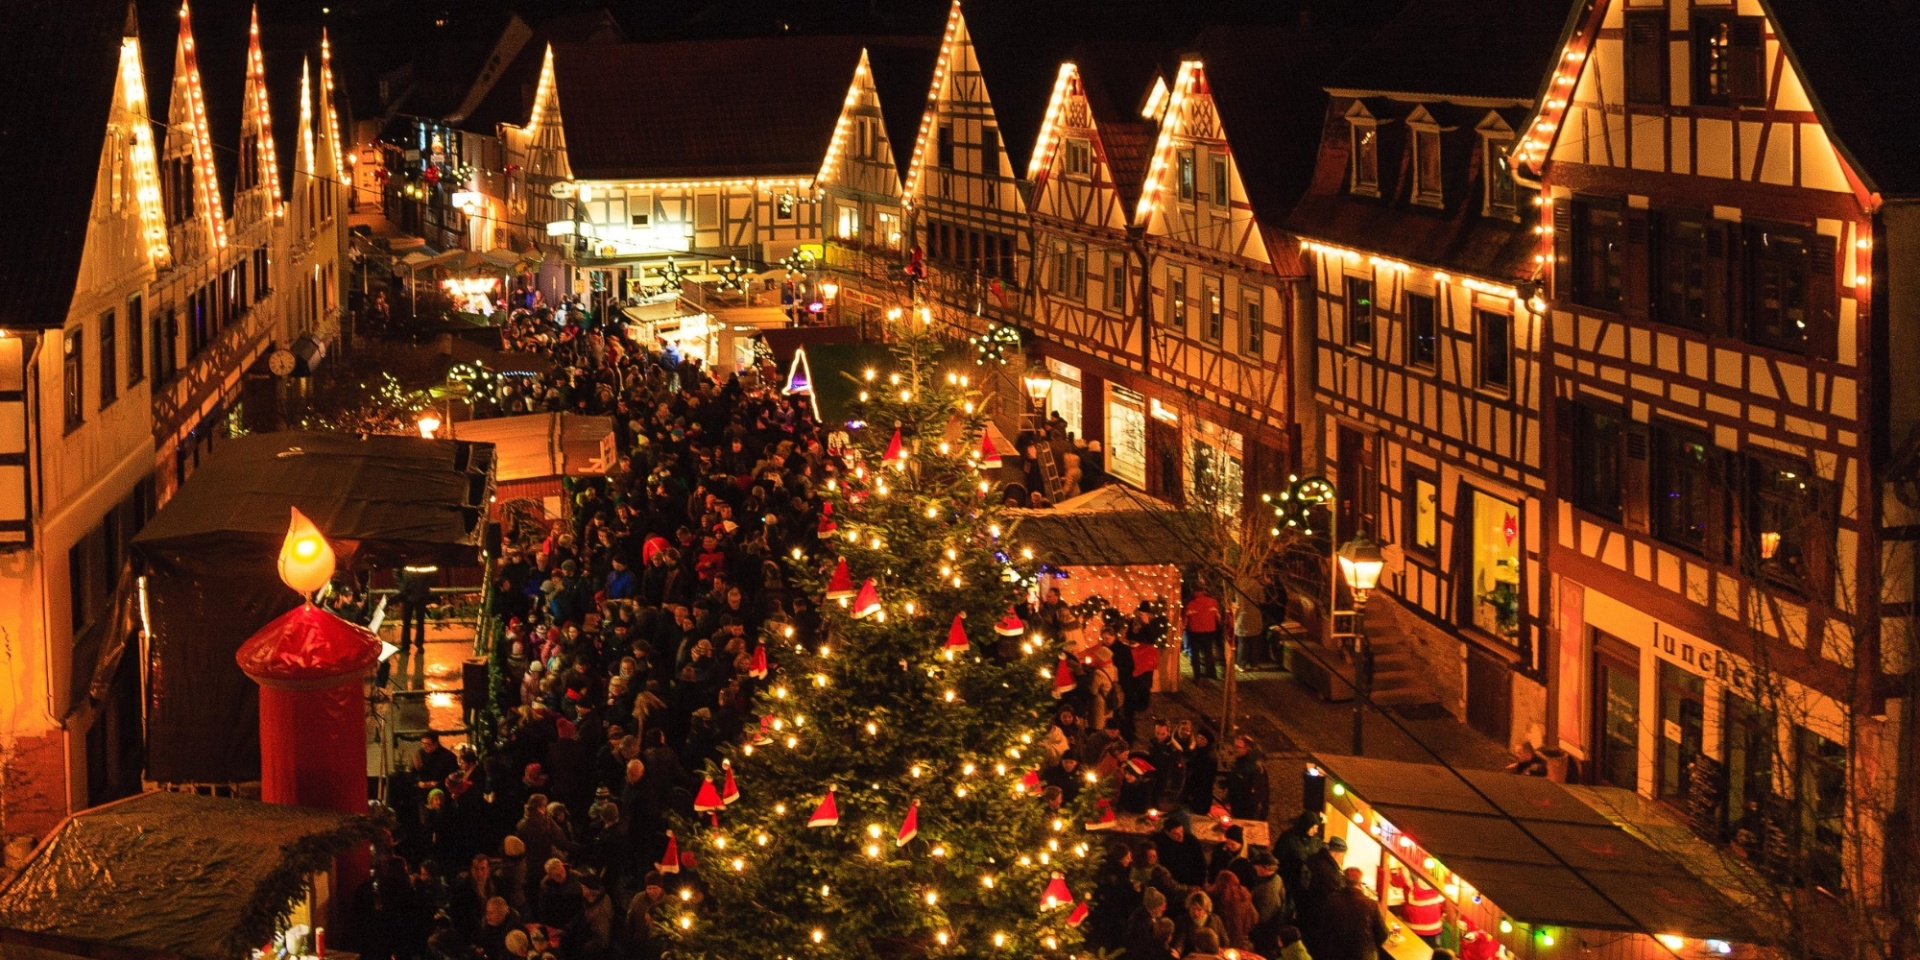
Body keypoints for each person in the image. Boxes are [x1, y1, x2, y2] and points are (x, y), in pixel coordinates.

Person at [1185, 585, 1222, 681]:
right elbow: (1218, 618)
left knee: (1195, 654)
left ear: (1194, 592)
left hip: (1195, 632)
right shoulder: (1213, 602)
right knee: (1208, 653)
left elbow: (1185, 620)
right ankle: (1209, 674)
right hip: (1209, 631)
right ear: (1204, 591)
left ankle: (1197, 677)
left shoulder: (1191, 604)